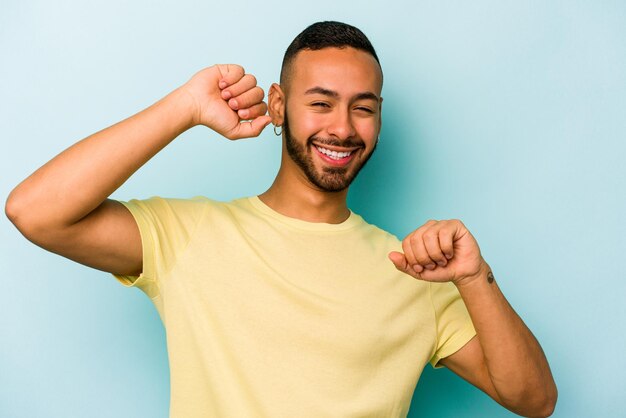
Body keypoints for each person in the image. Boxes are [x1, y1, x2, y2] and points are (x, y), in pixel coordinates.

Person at [6, 21, 557, 418]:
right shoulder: (190, 235)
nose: (342, 127)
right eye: (320, 102)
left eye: (363, 107)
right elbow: (35, 212)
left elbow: (535, 400)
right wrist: (185, 108)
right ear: (277, 105)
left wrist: (473, 276)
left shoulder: (414, 270)